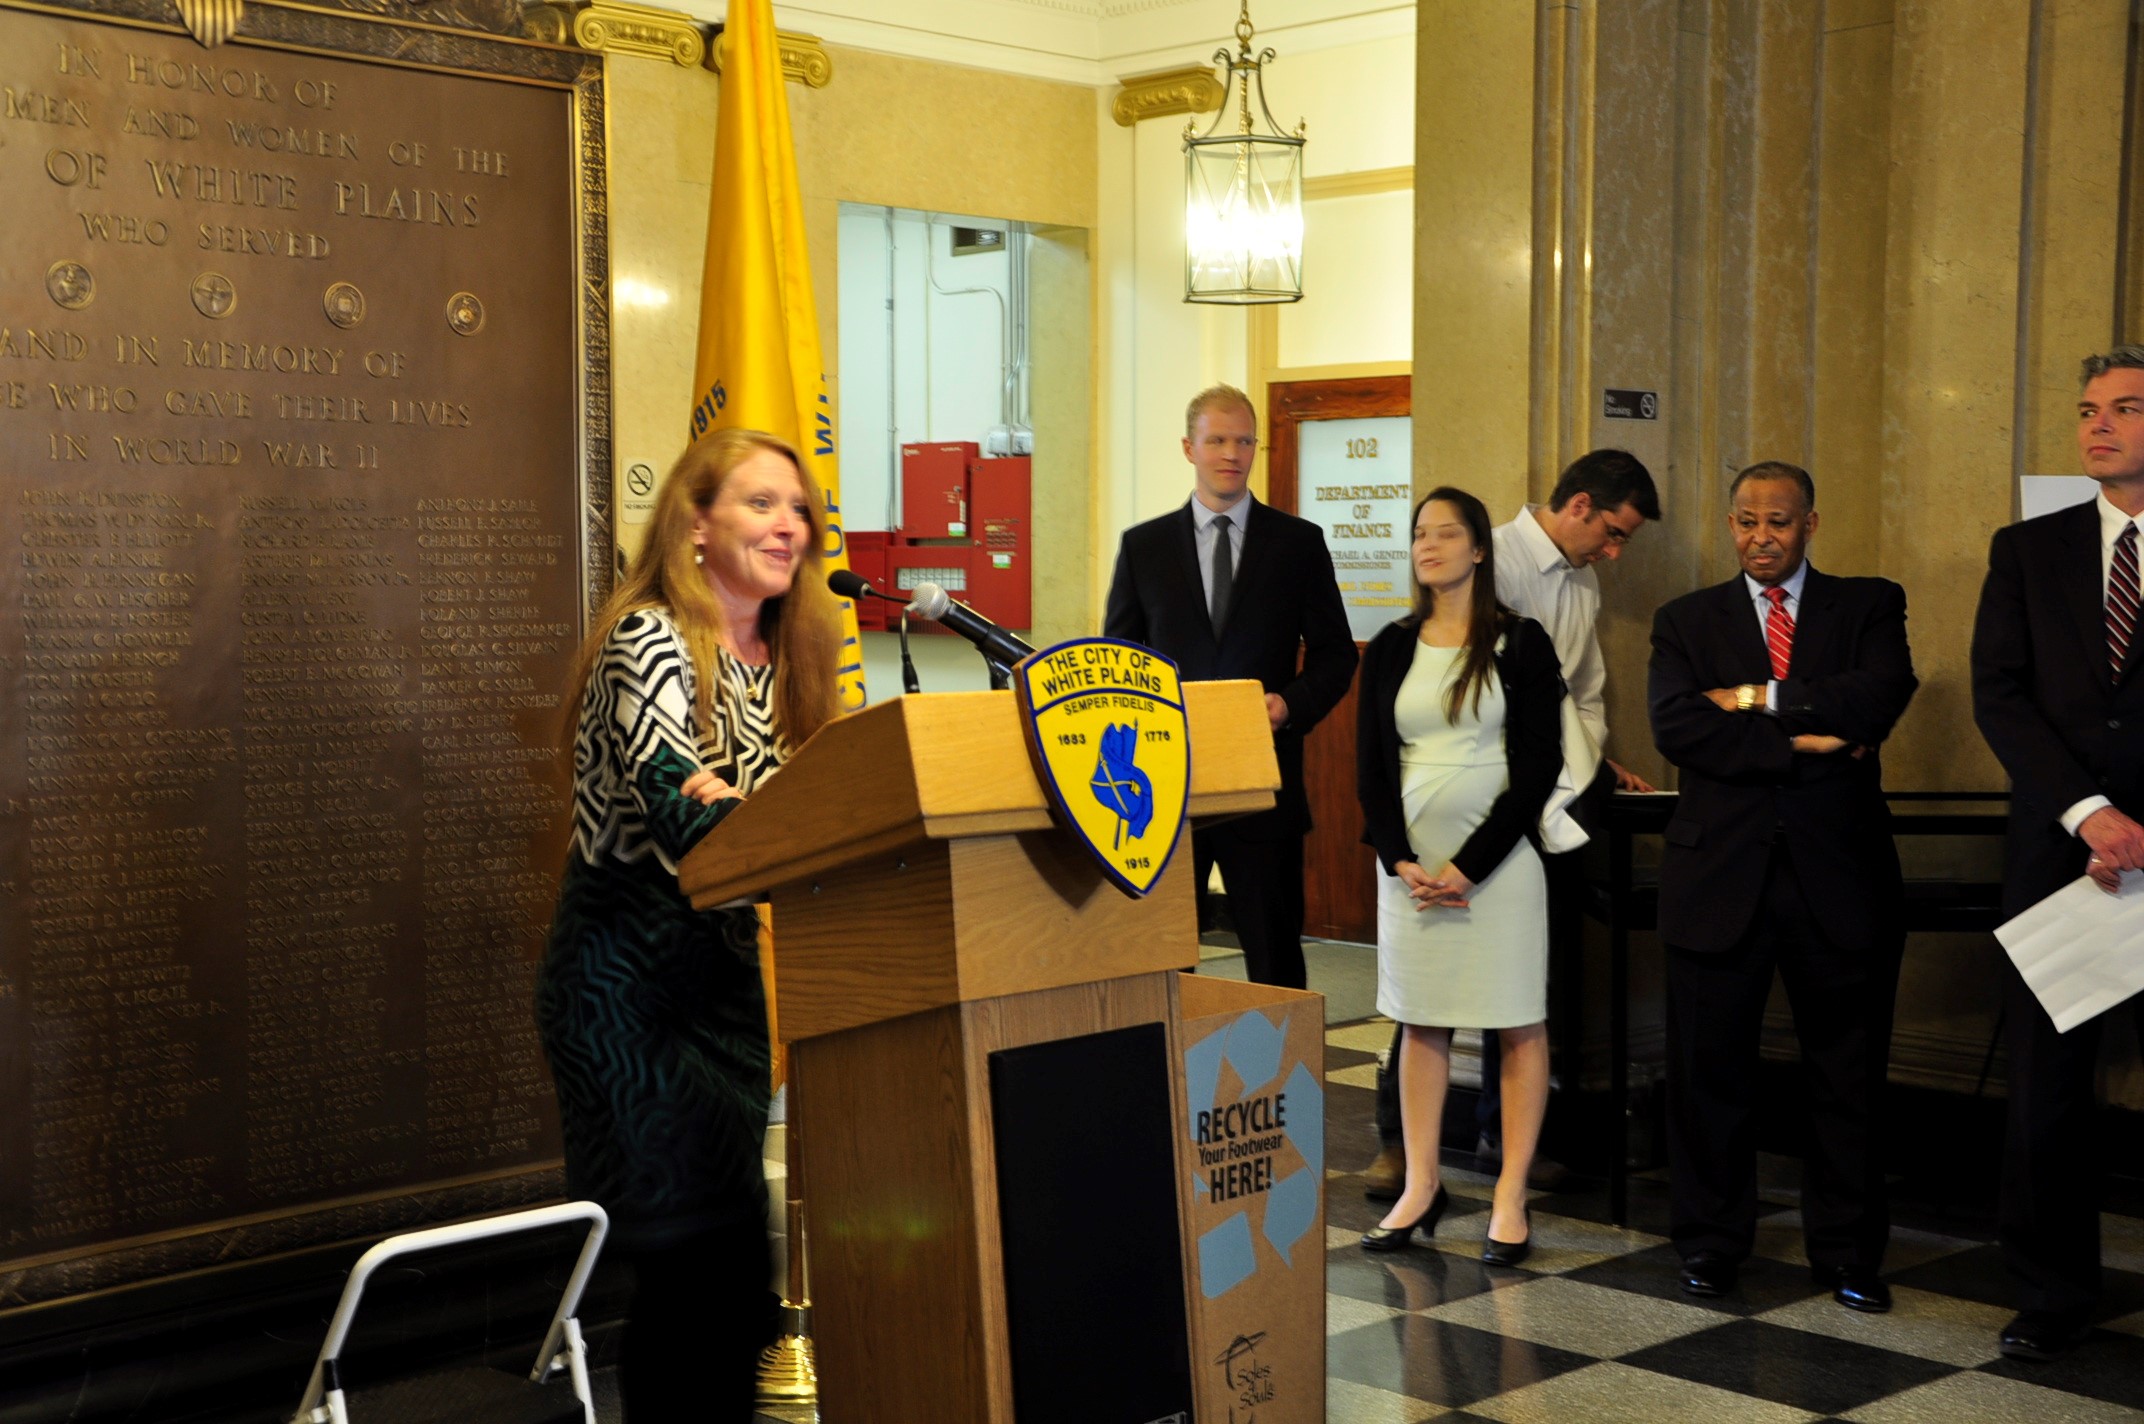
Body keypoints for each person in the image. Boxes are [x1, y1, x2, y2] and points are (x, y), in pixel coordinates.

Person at [535, 429, 843, 1420]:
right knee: (691, 1268)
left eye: (798, 508)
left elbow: (801, 815)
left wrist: (760, 812)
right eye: (760, 503)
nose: (788, 525)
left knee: (737, 1283)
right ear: (695, 523)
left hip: (723, 989)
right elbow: (684, 817)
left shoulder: (789, 657)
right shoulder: (649, 639)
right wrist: (763, 817)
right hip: (626, 989)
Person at [1647, 461, 1917, 1313]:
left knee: (1848, 1077)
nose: (1760, 536)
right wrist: (1808, 741)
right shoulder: (1685, 619)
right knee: (1709, 1073)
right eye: (1746, 520)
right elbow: (1677, 726)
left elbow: (1879, 695)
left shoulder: (1868, 605)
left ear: (1810, 524)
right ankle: (1709, 1242)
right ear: (1730, 524)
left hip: (1840, 877)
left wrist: (1751, 698)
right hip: (1717, 880)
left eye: (1778, 521)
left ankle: (1847, 1255)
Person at [1365, 450, 1662, 1200]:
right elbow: (1390, 743)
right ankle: (1404, 1149)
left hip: (1520, 818)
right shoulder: (1488, 569)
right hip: (1433, 830)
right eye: (1614, 533)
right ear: (1581, 505)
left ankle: (1509, 1150)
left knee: (1522, 992)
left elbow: (1576, 698)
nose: (1614, 552)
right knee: (1422, 1003)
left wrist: (1590, 764)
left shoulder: (1577, 588)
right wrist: (1400, 852)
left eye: (1443, 533)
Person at [1970, 346, 2144, 1361]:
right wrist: (2089, 814)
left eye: (2123, 407)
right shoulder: (2027, 549)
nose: (2097, 425)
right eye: (2086, 410)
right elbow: (1999, 693)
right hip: (2059, 854)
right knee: (2046, 1087)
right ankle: (2049, 1293)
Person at [1355, 487, 1564, 1263]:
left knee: (1517, 1022)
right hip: (1412, 875)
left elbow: (1538, 766)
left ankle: (1509, 1197)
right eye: (1420, 533)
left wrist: (1470, 867)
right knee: (1421, 1021)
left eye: (1446, 533)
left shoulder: (1520, 642)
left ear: (1478, 549)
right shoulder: (1393, 645)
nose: (1429, 544)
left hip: (1498, 869)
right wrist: (1399, 858)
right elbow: (1371, 767)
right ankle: (1420, 1185)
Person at [1104, 384, 1357, 988]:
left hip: (1261, 783)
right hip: (1164, 789)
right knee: (1160, 962)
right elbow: (1119, 664)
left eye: (1244, 441)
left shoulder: (1297, 543)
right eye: (1216, 440)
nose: (1231, 453)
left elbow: (1336, 655)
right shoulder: (1144, 547)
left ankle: (1282, 1057)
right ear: (1188, 447)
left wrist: (1288, 705)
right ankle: (1163, 1053)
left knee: (1275, 962)